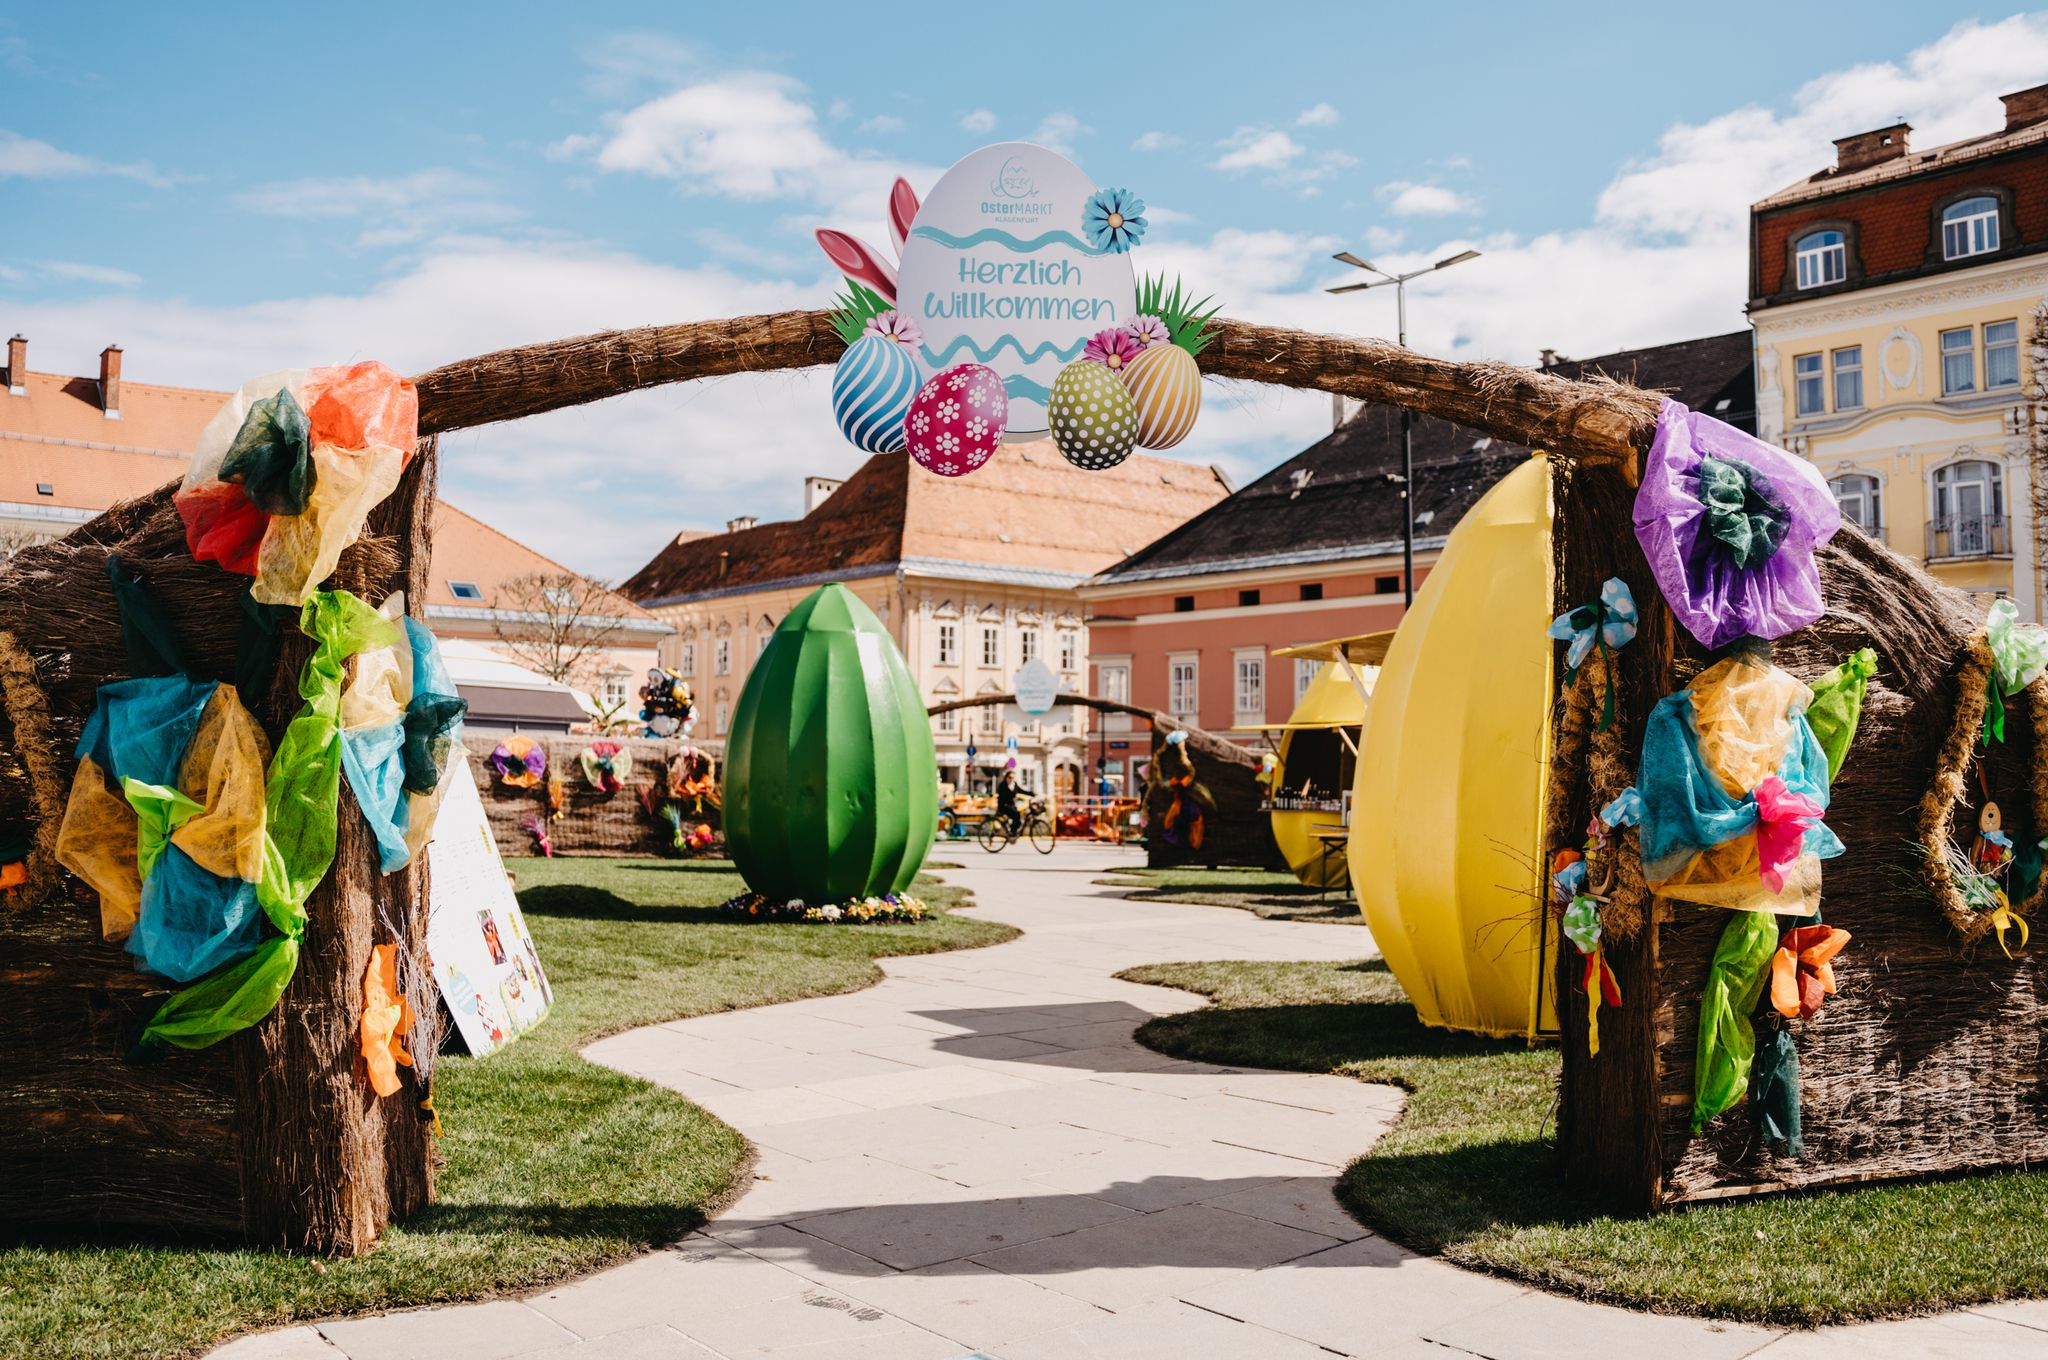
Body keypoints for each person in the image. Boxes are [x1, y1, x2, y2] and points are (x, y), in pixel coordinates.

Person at [996, 767, 1021, 837]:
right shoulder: (1003, 785)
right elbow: (1003, 798)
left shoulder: (1014, 785)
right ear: (1006, 778)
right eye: (1010, 777)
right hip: (1003, 806)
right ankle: (1012, 833)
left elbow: (1021, 790)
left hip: (1011, 806)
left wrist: (1033, 794)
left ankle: (1013, 831)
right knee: (1016, 815)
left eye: (1013, 778)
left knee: (1018, 818)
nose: (1011, 779)